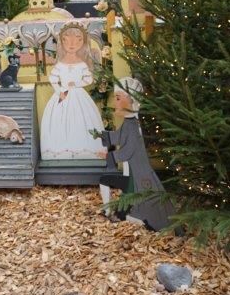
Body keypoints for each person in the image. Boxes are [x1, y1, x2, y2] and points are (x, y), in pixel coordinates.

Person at [99, 77, 174, 231]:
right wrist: (102, 136)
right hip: (133, 175)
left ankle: (111, 212)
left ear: (131, 100)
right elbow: (118, 136)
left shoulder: (133, 127)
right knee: (126, 196)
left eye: (118, 98)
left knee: (106, 181)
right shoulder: (129, 123)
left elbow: (127, 151)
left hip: (137, 178)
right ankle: (120, 214)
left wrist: (109, 156)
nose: (115, 103)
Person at [40, 23, 105, 160]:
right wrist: (59, 91)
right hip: (62, 95)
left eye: (78, 40)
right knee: (59, 120)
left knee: (81, 120)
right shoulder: (60, 65)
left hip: (79, 95)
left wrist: (76, 84)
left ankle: (84, 149)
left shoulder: (82, 64)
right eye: (67, 40)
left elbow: (89, 79)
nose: (72, 44)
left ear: (83, 42)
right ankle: (60, 149)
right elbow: (53, 78)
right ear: (61, 42)